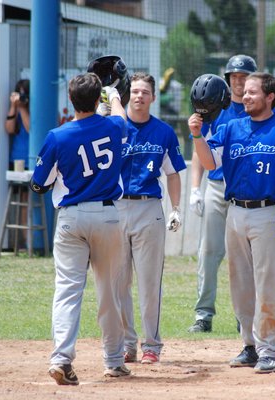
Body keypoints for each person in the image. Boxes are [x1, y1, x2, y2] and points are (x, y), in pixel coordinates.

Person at [188, 72, 275, 373]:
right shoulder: (231, 128)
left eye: (253, 92)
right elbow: (209, 163)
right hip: (236, 212)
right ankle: (249, 346)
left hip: (270, 213)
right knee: (240, 284)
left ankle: (269, 350)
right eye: (244, 92)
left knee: (267, 284)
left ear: (270, 97)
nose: (245, 95)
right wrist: (196, 135)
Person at [29, 72, 130, 385]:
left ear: (70, 100)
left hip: (71, 218)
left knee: (68, 290)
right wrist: (112, 94)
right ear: (97, 99)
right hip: (108, 217)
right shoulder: (114, 126)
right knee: (109, 292)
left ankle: (61, 359)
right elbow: (121, 117)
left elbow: (39, 185)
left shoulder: (58, 136)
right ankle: (114, 361)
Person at [114, 72, 186, 364]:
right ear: (128, 95)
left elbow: (173, 173)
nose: (139, 96)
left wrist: (176, 208)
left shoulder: (164, 132)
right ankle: (127, 343)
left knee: (149, 281)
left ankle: (151, 346)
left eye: (145, 92)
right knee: (118, 282)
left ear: (154, 97)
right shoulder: (114, 127)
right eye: (135, 91)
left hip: (149, 208)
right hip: (116, 207)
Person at [188, 55, 258, 333]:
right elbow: (200, 147)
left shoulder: (257, 108)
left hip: (245, 189)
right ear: (227, 79)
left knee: (245, 257)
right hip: (217, 187)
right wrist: (195, 188)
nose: (239, 82)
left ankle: (244, 317)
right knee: (209, 251)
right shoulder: (217, 106)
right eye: (234, 76)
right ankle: (203, 314)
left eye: (244, 76)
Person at [4, 79, 30, 170]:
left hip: (32, 161)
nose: (21, 97)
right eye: (19, 94)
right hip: (16, 160)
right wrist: (13, 105)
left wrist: (22, 108)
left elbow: (30, 130)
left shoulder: (35, 109)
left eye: (24, 94)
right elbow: (9, 129)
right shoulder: (17, 108)